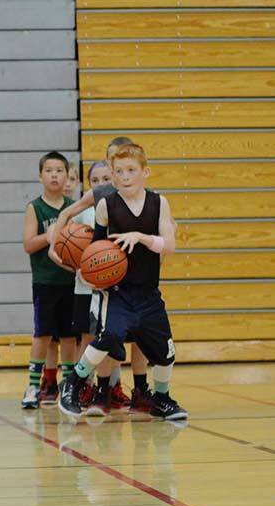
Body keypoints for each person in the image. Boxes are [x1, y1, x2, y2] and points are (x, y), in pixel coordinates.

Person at [58, 143, 187, 421]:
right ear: (113, 177)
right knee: (110, 336)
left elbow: (170, 245)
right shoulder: (106, 205)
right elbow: (96, 249)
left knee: (165, 353)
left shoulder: (158, 203)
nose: (125, 176)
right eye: (119, 172)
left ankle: (161, 399)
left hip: (148, 292)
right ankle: (73, 382)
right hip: (116, 291)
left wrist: (139, 237)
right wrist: (90, 274)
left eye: (131, 170)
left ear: (145, 172)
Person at [49, 137, 153, 413]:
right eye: (113, 161)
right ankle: (99, 390)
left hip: (138, 277)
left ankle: (141, 390)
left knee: (141, 338)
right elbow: (67, 213)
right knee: (105, 336)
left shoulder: (146, 195)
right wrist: (53, 245)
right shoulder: (101, 194)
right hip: (107, 277)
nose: (119, 170)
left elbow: (168, 229)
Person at [21, 152, 78, 409]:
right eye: (49, 170)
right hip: (44, 281)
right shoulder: (35, 207)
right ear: (40, 176)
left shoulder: (73, 207)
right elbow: (28, 244)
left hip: (70, 280)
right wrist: (50, 235)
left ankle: (67, 386)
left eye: (59, 170)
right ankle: (34, 385)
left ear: (67, 176)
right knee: (42, 335)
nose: (54, 175)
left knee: (68, 337)